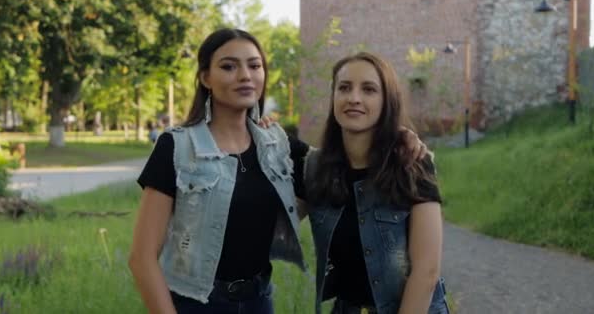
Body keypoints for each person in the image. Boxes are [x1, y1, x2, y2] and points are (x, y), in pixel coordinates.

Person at [128, 28, 428, 314]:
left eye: (254, 66)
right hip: (195, 303)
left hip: (259, 301)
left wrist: (396, 137)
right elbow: (142, 259)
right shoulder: (177, 147)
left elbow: (346, 161)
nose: (245, 76)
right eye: (229, 67)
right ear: (206, 77)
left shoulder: (278, 145)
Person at [303, 52, 449, 314]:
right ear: (333, 96)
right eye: (344, 88)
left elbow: (427, 271)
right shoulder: (314, 169)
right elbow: (271, 224)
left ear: (386, 101)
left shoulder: (412, 164)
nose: (354, 98)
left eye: (369, 89)